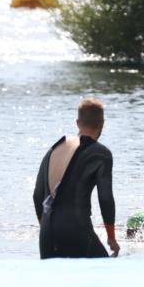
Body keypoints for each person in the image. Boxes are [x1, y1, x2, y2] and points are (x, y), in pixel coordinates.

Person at [33, 97, 120, 260]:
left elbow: (37, 196)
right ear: (102, 124)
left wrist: (48, 228)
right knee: (106, 272)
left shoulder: (54, 149)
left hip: (46, 234)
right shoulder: (100, 154)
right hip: (76, 229)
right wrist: (111, 238)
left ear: (77, 123)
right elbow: (106, 198)